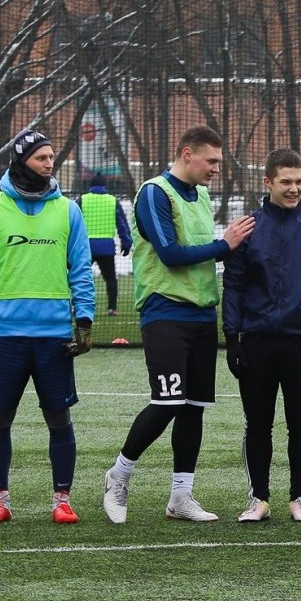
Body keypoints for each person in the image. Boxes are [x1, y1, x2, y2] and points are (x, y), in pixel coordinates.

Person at [101, 125, 256, 524]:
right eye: (212, 160)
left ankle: (181, 497)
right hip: (165, 312)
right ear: (188, 154)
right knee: (168, 400)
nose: (216, 169)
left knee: (193, 408)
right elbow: (169, 253)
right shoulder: (154, 192)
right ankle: (118, 475)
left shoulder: (201, 195)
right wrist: (226, 245)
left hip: (203, 314)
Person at [0, 131, 95, 525]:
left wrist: (84, 319)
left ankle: (62, 499)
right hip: (6, 336)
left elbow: (81, 269)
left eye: (52, 157)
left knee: (59, 418)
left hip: (55, 337)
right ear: (22, 161)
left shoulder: (69, 211)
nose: (49, 163)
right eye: (41, 158)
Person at [222, 148, 301, 523]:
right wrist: (232, 338)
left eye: (299, 182)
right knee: (257, 424)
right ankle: (258, 499)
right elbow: (235, 285)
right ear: (268, 183)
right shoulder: (249, 229)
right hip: (256, 342)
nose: (294, 189)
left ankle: (298, 498)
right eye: (286, 182)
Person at [79, 173, 133, 315]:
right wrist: (126, 243)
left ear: (90, 185)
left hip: (86, 248)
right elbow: (122, 225)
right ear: (104, 185)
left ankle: (77, 307)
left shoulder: (82, 200)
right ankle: (112, 308)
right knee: (110, 279)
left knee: (81, 279)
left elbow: (72, 224)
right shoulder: (112, 200)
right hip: (106, 248)